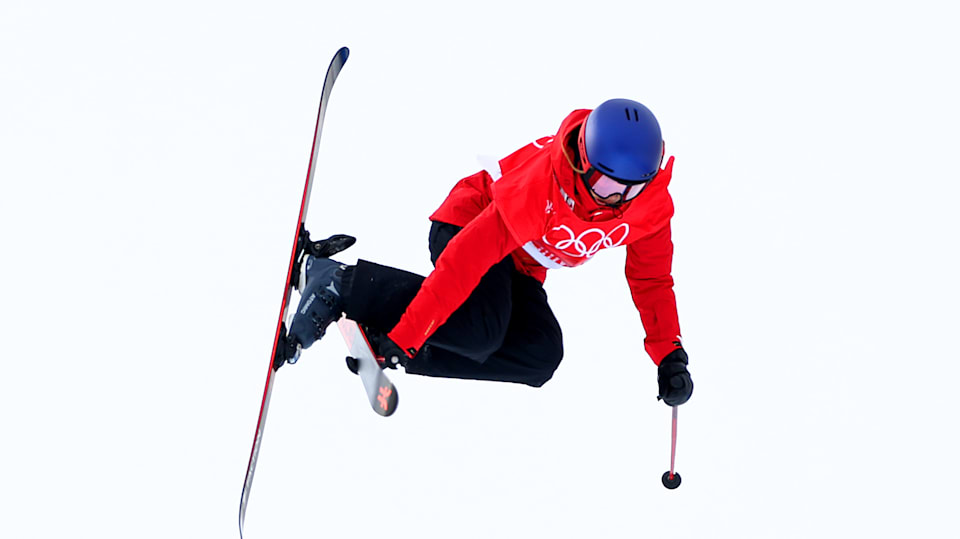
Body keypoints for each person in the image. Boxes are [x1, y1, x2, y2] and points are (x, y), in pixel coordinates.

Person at [286, 98, 693, 406]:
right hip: (469, 223)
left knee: (540, 354)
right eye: (606, 186)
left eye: (631, 188)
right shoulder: (543, 188)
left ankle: (389, 343)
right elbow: (465, 264)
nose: (616, 201)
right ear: (583, 160)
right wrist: (409, 334)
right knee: (481, 329)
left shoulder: (648, 206)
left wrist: (668, 354)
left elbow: (651, 279)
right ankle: (339, 283)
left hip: (519, 262)